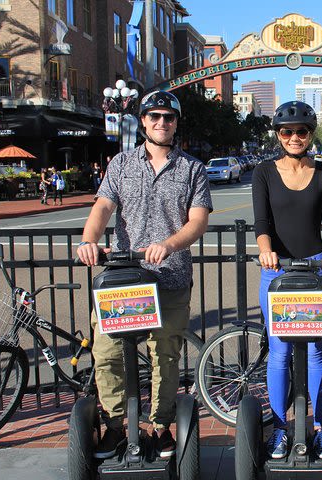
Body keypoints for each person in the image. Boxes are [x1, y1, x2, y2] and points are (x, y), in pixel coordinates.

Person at [76, 90, 212, 460]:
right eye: (154, 116)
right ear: (143, 121)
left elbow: (198, 221)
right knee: (107, 354)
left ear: (176, 123)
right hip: (125, 279)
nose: (162, 123)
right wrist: (89, 241)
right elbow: (103, 206)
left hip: (169, 277)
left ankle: (160, 426)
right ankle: (118, 426)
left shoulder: (193, 169)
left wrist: (169, 244)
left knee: (164, 355)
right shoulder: (120, 164)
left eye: (168, 117)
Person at [252, 100, 322, 460]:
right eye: (287, 132)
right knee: (279, 352)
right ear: (278, 135)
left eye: (301, 131)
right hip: (276, 270)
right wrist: (265, 250)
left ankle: (319, 428)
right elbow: (263, 222)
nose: (294, 137)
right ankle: (279, 429)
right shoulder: (263, 171)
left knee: (316, 353)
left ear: (311, 134)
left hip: (314, 268)